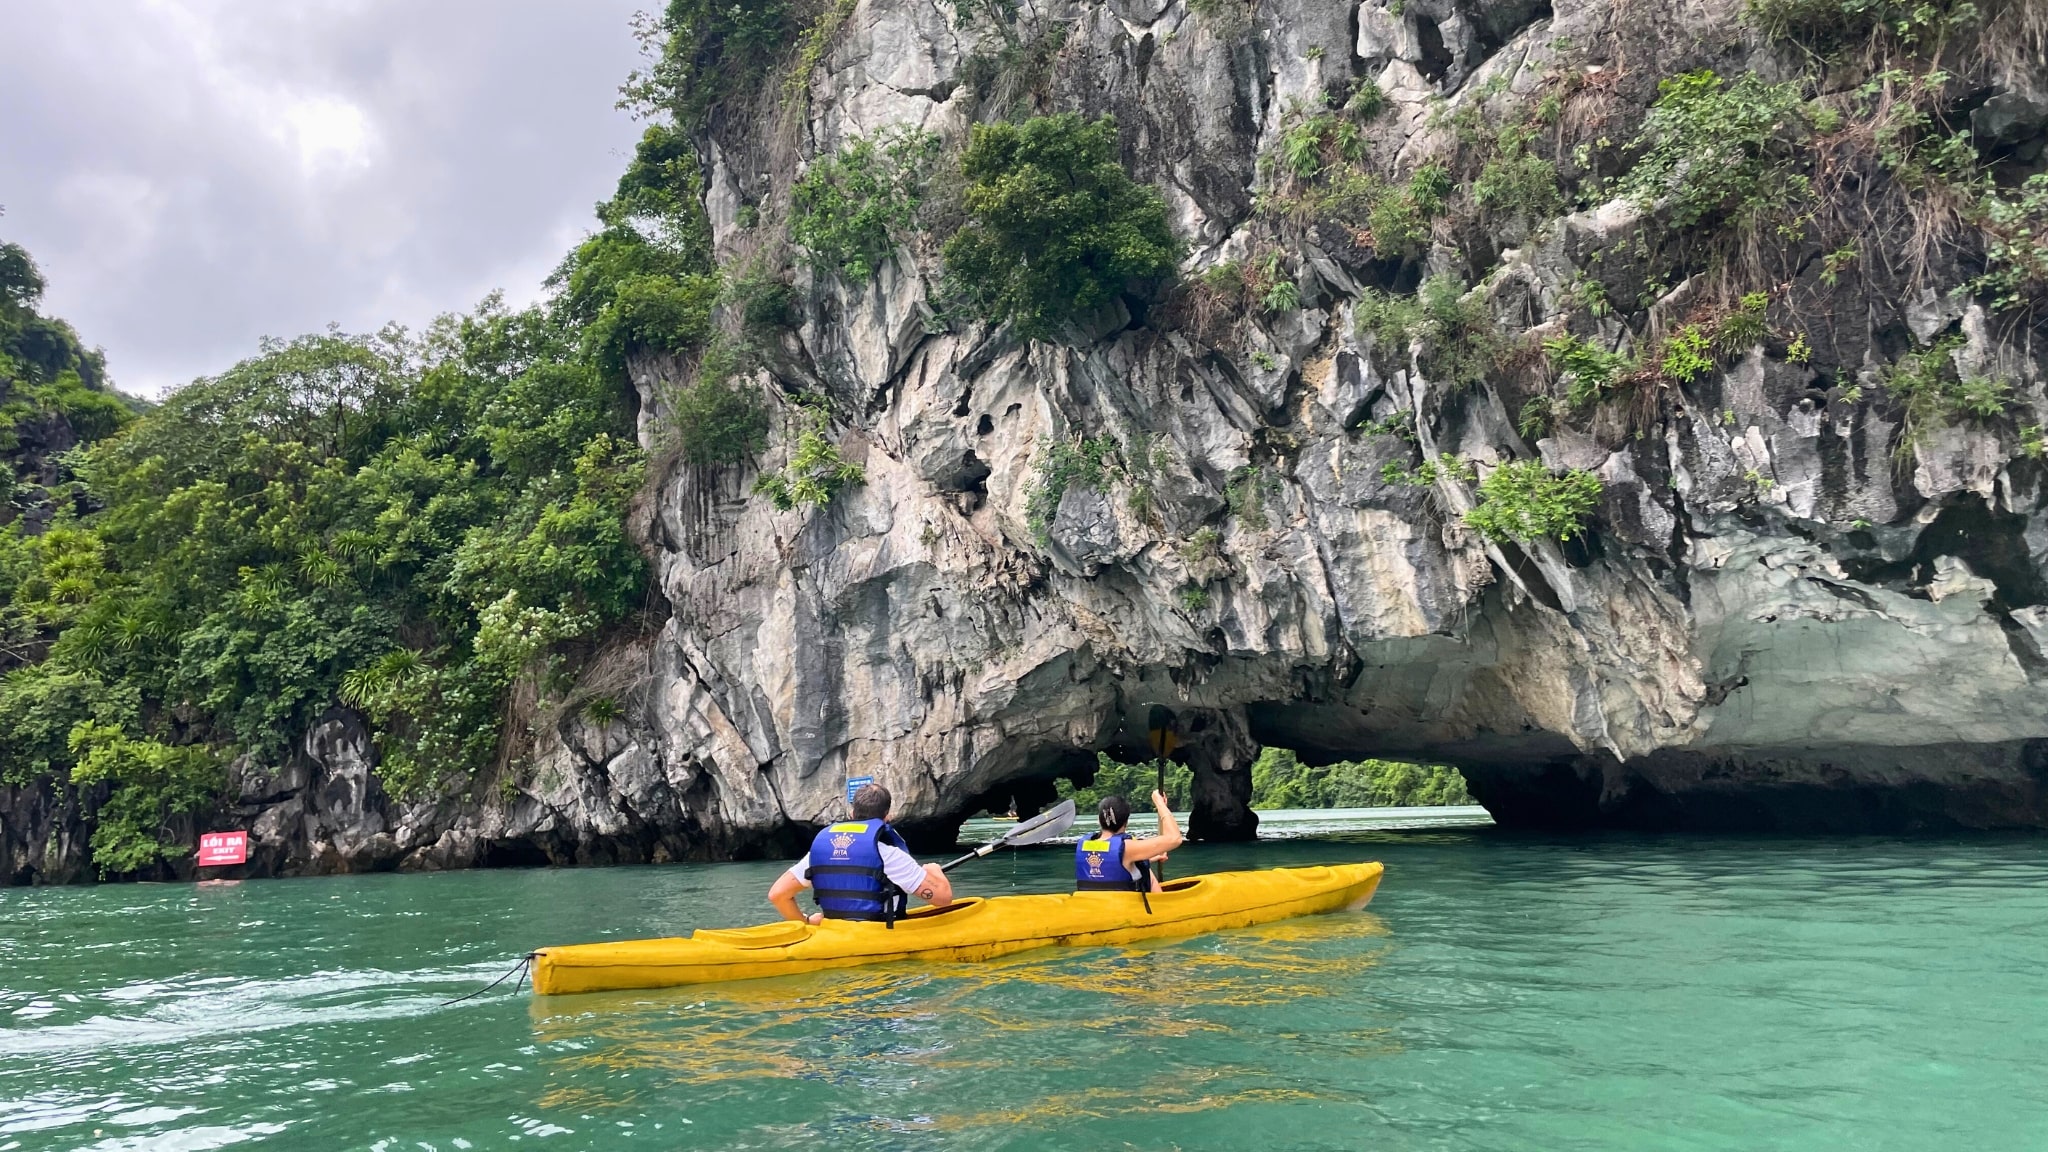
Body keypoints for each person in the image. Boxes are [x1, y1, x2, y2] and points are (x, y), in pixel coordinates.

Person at [769, 783, 953, 925]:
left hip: (835, 932)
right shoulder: (889, 855)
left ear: (852, 813)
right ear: (887, 815)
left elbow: (778, 895)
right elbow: (943, 899)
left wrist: (806, 922)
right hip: (878, 933)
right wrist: (934, 870)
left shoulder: (818, 852)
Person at [1075, 790, 1182, 894]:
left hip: (1090, 906)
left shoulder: (1084, 844)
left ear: (1099, 821)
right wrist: (1160, 804)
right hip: (1123, 908)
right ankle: (1162, 906)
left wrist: (1146, 859)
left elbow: (1109, 862)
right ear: (1126, 822)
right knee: (1147, 872)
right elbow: (1174, 838)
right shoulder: (1128, 847)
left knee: (1141, 865)